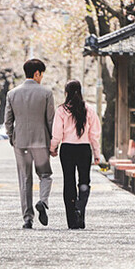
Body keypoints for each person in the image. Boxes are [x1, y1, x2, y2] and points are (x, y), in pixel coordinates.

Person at [4, 58, 56, 229]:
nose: (42, 78)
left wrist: (13, 138)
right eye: (42, 74)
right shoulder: (46, 93)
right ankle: (42, 201)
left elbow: (8, 121)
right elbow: (50, 120)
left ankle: (28, 218)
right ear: (37, 73)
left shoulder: (12, 94)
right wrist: (53, 142)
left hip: (21, 142)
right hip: (40, 141)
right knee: (45, 175)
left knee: (25, 179)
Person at [50, 80, 101, 229]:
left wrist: (53, 148)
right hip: (84, 149)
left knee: (69, 182)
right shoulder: (89, 110)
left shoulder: (61, 110)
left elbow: (57, 134)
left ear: (66, 93)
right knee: (84, 181)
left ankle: (72, 221)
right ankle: (80, 209)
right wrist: (97, 153)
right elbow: (94, 135)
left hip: (67, 149)